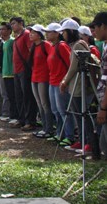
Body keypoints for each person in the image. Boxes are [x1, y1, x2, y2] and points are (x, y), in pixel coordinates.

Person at [59, 19, 100, 158]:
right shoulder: (74, 45)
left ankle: (89, 144)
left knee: (84, 116)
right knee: (79, 116)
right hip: (75, 86)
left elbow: (74, 67)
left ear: (70, 31)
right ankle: (82, 142)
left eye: (64, 32)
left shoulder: (78, 45)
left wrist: (64, 81)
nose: (62, 35)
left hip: (80, 86)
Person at [44, 22, 74, 146]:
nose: (46, 34)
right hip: (52, 81)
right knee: (55, 110)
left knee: (63, 110)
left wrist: (66, 81)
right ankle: (59, 133)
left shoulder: (62, 46)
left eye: (49, 32)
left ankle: (69, 135)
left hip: (60, 82)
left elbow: (70, 64)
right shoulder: (52, 46)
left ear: (57, 34)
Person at [10, 16, 37, 131]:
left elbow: (31, 50)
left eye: (14, 23)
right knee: (19, 96)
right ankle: (22, 120)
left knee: (27, 97)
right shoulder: (17, 37)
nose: (12, 26)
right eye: (11, 24)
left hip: (24, 70)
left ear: (21, 23)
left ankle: (30, 121)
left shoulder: (26, 34)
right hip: (17, 71)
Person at [28, 24, 54, 139]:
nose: (30, 34)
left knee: (45, 104)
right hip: (34, 78)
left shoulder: (46, 45)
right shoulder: (34, 46)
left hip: (44, 78)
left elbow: (51, 59)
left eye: (33, 32)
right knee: (39, 104)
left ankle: (49, 129)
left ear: (39, 35)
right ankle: (44, 128)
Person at [91, 12, 107, 155]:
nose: (93, 31)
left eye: (95, 27)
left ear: (103, 26)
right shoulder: (104, 46)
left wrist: (103, 108)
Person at [0, 22, 17, 123]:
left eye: (3, 29)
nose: (1, 31)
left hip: (11, 73)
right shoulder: (5, 42)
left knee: (13, 96)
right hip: (5, 72)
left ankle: (14, 115)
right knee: (8, 95)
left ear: (9, 31)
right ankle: (11, 114)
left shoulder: (12, 41)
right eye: (1, 29)